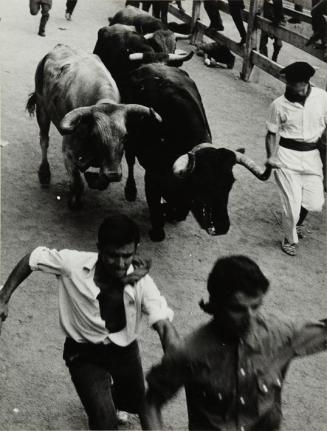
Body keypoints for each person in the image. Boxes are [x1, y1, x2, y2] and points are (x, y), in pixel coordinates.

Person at [0, 214, 177, 430]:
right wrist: (3, 297)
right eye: (112, 256)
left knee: (134, 403)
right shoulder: (72, 265)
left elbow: (163, 323)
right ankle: (99, 404)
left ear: (136, 250)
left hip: (124, 351)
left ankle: (104, 400)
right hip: (84, 353)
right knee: (105, 422)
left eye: (127, 256)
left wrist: (173, 353)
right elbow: (33, 258)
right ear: (99, 248)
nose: (120, 264)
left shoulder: (142, 282)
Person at [143, 255, 327, 430]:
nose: (250, 318)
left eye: (256, 306)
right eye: (237, 309)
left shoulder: (280, 334)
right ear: (216, 305)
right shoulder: (188, 353)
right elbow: (150, 404)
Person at [265, 62, 326, 256]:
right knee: (291, 204)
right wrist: (271, 156)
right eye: (287, 82)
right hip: (287, 157)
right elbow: (271, 133)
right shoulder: (278, 104)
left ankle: (297, 222)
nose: (288, 86)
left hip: (312, 156)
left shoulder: (323, 98)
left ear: (305, 82)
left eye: (293, 83)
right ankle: (289, 238)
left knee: (315, 203)